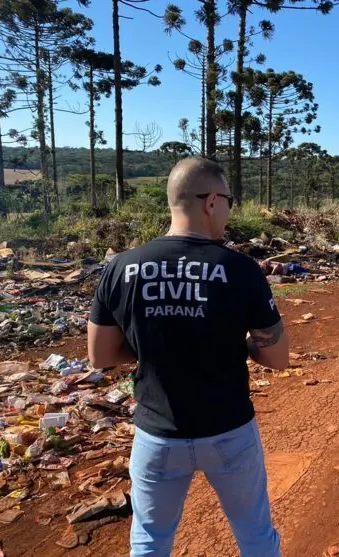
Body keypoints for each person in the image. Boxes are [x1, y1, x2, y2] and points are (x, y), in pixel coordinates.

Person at [88, 157, 289, 557]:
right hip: (228, 431)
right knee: (255, 536)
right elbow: (278, 357)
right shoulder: (241, 269)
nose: (230, 210)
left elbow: (100, 355)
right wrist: (235, 344)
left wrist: (154, 345)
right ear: (211, 201)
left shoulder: (121, 267)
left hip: (158, 435)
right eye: (230, 200)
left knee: (149, 542)